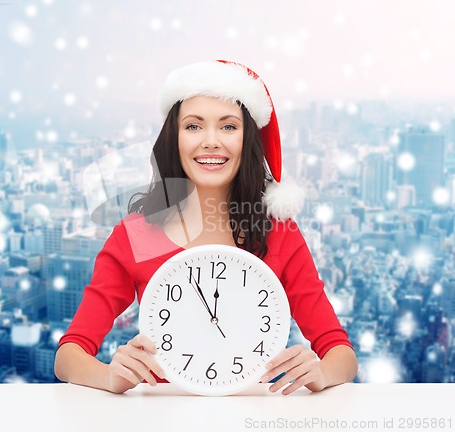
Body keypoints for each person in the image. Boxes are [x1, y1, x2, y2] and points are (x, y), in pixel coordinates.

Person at [54, 60, 358, 395]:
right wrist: (110, 377)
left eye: (228, 127)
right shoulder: (137, 235)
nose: (210, 141)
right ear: (175, 138)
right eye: (194, 126)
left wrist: (321, 371)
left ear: (248, 140)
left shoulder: (279, 233)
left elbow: (340, 353)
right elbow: (69, 355)